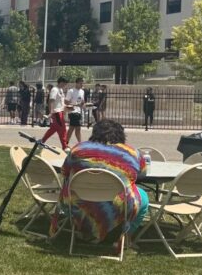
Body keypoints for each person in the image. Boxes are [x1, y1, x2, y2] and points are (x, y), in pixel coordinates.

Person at [51, 118, 148, 247]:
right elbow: (142, 173)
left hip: (78, 202)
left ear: (95, 133)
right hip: (118, 205)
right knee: (144, 197)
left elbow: (65, 171)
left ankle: (85, 229)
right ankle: (126, 237)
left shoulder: (79, 149)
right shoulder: (132, 153)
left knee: (70, 189)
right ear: (121, 135)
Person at [41, 77, 69, 150]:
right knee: (63, 129)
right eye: (65, 83)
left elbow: (60, 102)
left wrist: (67, 106)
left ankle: (42, 141)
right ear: (61, 82)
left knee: (53, 129)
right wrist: (51, 112)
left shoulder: (61, 90)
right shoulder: (54, 89)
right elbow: (51, 101)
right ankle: (64, 146)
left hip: (60, 111)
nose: (65, 85)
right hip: (57, 112)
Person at [65, 77, 86, 146]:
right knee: (74, 128)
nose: (82, 84)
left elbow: (82, 101)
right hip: (73, 112)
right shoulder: (71, 91)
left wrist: (83, 104)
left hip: (79, 112)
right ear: (76, 83)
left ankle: (66, 143)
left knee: (75, 129)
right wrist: (76, 104)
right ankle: (79, 143)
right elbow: (66, 101)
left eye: (82, 83)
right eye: (80, 83)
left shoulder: (82, 91)